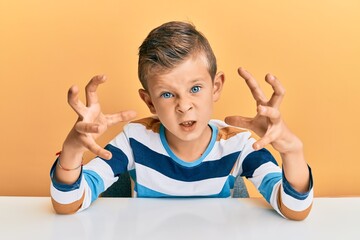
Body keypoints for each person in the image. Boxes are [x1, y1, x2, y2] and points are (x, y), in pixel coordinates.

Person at [50, 21, 313, 220]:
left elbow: (295, 210)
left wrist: (293, 151)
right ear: (150, 102)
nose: (184, 106)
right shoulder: (134, 141)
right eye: (167, 94)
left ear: (216, 86)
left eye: (195, 89)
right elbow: (67, 204)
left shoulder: (238, 145)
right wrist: (72, 149)